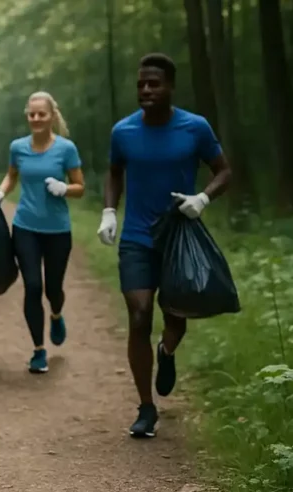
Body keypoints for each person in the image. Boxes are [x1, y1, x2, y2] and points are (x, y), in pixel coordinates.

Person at [96, 53, 232, 438]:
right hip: (137, 238)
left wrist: (202, 199)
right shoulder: (123, 131)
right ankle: (146, 408)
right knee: (139, 315)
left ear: (170, 86)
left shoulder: (195, 128)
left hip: (179, 239)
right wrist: (109, 211)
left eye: (154, 83)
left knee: (176, 316)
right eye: (141, 84)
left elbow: (224, 171)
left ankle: (167, 352)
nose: (146, 90)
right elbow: (114, 171)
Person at [0, 91, 86, 374]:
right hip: (25, 228)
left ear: (51, 116)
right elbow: (12, 174)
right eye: (31, 114)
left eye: (41, 114)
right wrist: (1, 191)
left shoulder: (66, 149)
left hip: (58, 231)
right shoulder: (18, 147)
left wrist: (64, 188)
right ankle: (38, 351)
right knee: (33, 286)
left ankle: (56, 313)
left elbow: (81, 187)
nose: (35, 119)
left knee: (53, 289)